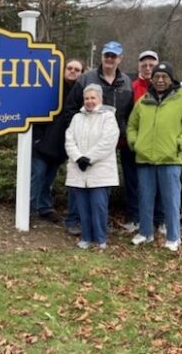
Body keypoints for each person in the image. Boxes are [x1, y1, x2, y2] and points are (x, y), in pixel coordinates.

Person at [127, 61, 182, 251]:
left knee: (171, 199)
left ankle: (174, 237)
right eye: (156, 77)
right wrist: (135, 142)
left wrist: (180, 144)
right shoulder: (144, 100)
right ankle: (145, 233)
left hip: (170, 159)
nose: (160, 80)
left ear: (171, 78)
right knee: (145, 198)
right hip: (145, 158)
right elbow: (132, 125)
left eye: (164, 77)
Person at [64, 41, 134, 231]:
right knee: (79, 179)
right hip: (86, 140)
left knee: (103, 183)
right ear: (101, 57)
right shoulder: (87, 78)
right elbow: (70, 108)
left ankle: (99, 222)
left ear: (120, 58)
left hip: (113, 140)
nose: (110, 59)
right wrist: (77, 133)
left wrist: (126, 133)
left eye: (114, 56)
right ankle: (74, 220)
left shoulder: (126, 82)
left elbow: (130, 113)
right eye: (107, 55)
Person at [64, 84, 120, 249]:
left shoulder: (108, 117)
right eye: (87, 98)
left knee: (98, 206)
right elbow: (69, 140)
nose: (89, 101)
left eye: (93, 98)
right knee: (82, 207)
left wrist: (89, 158)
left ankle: (100, 239)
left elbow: (108, 142)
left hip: (99, 170)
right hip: (78, 169)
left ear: (100, 99)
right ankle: (86, 237)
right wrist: (78, 157)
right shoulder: (77, 118)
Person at [30, 59, 83, 231]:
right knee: (37, 176)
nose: (73, 71)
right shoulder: (50, 87)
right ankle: (28, 209)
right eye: (70, 68)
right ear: (63, 69)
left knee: (48, 179)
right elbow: (36, 112)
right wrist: (37, 139)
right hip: (42, 143)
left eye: (77, 69)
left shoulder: (81, 93)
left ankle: (44, 208)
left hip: (61, 146)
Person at [124, 50, 166, 234]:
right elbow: (125, 116)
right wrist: (129, 139)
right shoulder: (131, 87)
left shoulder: (167, 89)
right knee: (133, 184)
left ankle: (160, 219)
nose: (148, 68)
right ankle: (135, 218)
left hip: (158, 145)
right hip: (132, 145)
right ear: (138, 67)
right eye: (144, 65)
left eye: (151, 65)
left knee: (159, 183)